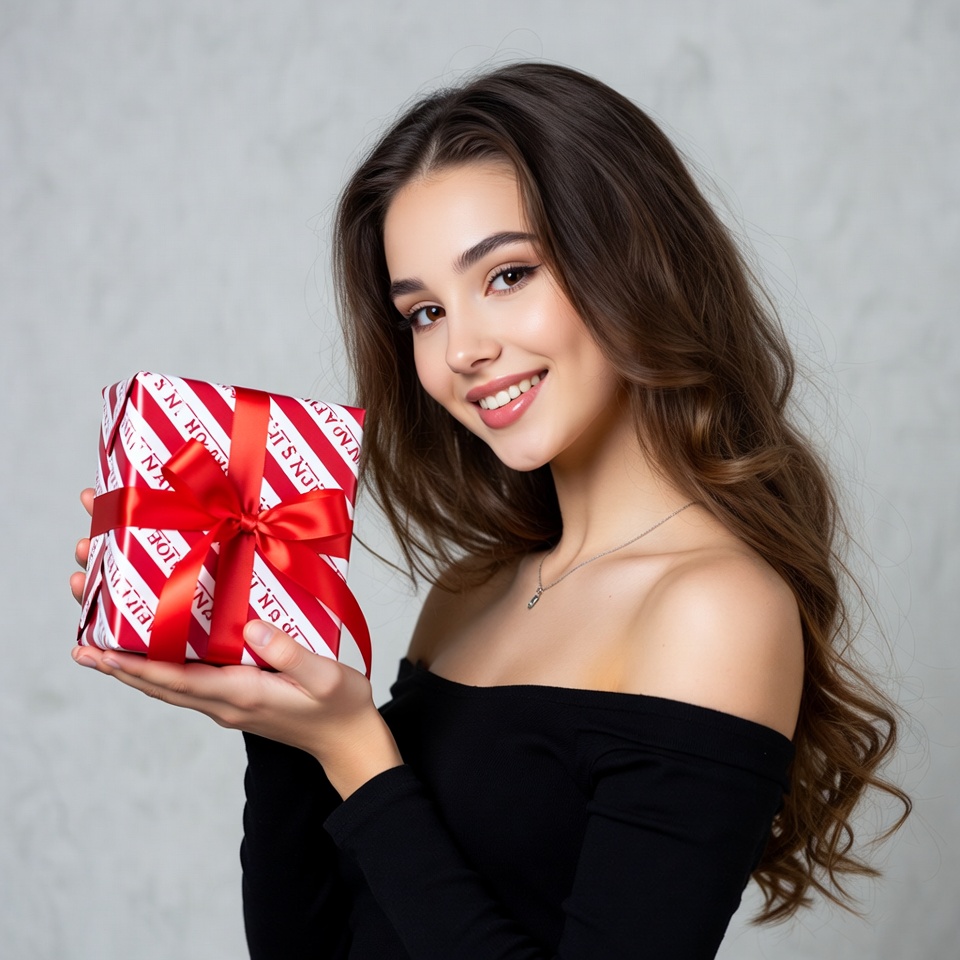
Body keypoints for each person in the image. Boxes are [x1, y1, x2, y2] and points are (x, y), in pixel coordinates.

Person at [70, 62, 910, 958]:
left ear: (634, 259)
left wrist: (357, 751)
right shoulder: (472, 589)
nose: (462, 349)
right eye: (424, 312)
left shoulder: (717, 610)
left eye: (508, 275)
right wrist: (278, 724)